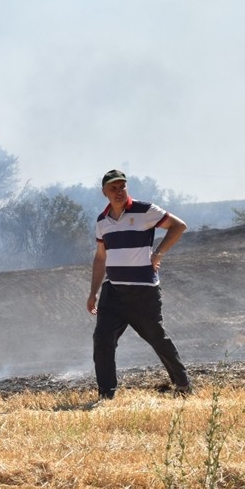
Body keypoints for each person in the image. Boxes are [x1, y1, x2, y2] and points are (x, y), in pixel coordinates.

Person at [86, 169, 191, 400]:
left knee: (157, 338)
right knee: (102, 339)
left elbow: (179, 226)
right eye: (113, 188)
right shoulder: (102, 221)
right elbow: (101, 257)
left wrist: (159, 254)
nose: (119, 191)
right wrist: (93, 292)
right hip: (112, 292)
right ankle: (106, 395)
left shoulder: (145, 210)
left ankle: (182, 385)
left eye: (122, 186)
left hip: (143, 292)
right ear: (105, 192)